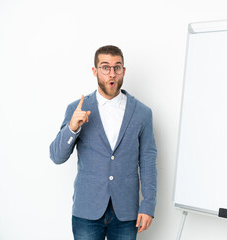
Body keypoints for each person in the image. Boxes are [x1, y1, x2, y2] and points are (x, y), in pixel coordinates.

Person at [50, 45, 157, 240]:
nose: (112, 74)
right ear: (95, 71)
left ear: (123, 71)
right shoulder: (77, 108)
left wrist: (148, 205)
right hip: (87, 210)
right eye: (105, 67)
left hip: (126, 212)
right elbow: (56, 156)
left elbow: (148, 161)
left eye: (117, 67)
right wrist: (72, 128)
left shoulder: (142, 113)